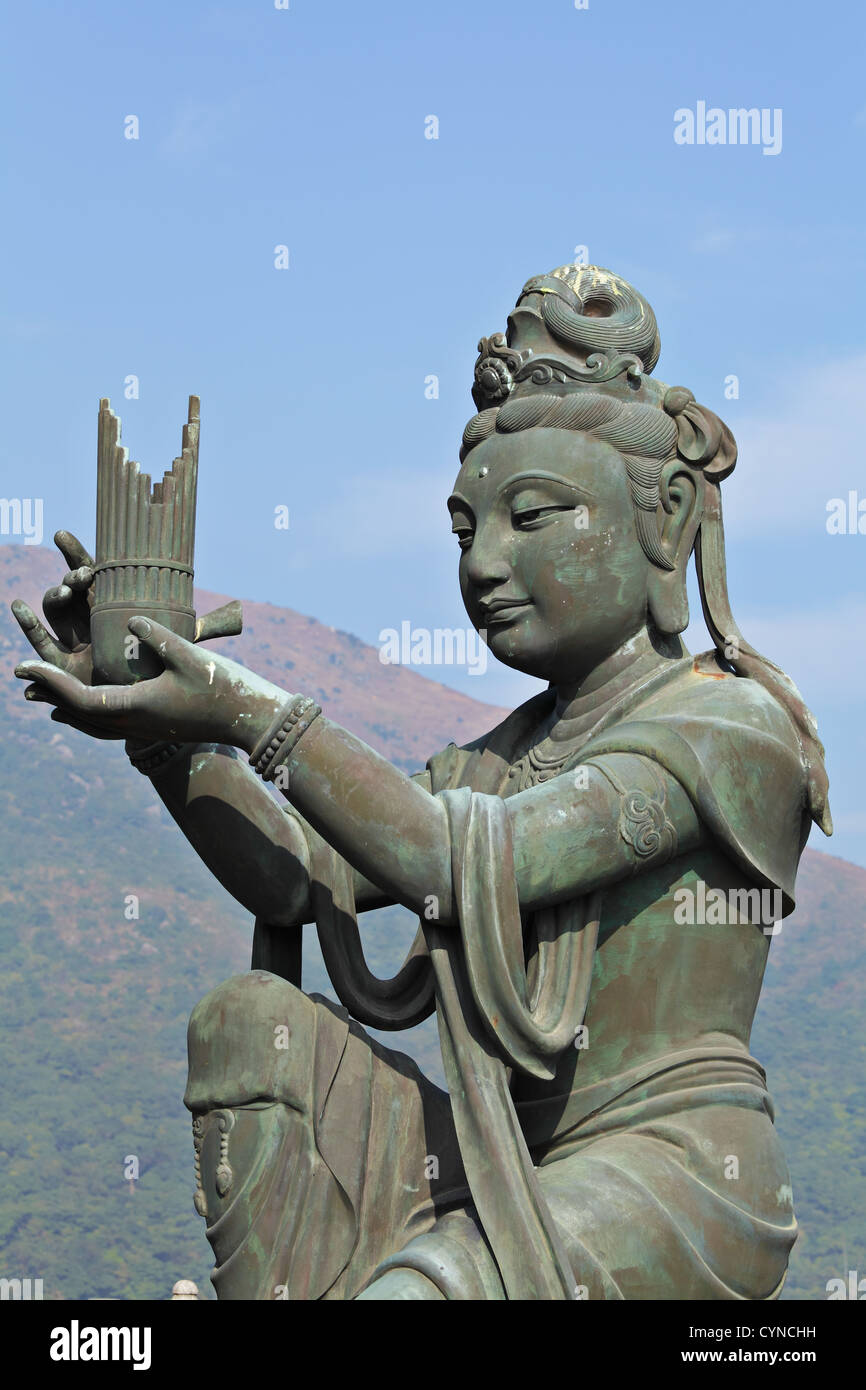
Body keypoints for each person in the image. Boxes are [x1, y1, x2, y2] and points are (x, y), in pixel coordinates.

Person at [13, 263, 830, 1300]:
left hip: (668, 1176)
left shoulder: (725, 727)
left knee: (422, 1294)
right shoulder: (486, 762)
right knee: (244, 1019)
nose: (483, 563)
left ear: (664, 517)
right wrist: (166, 736)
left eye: (529, 516)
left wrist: (239, 703)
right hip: (500, 1159)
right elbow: (297, 879)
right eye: (464, 530)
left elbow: (454, 855)